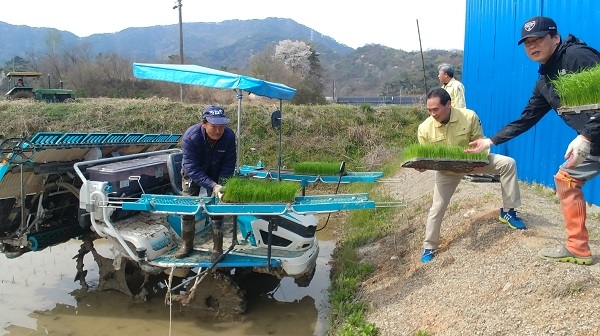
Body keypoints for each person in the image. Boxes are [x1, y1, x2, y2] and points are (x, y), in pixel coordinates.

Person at [467, 16, 600, 266]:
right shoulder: (545, 81)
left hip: (593, 136)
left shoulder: (577, 56)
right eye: (527, 42)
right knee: (567, 179)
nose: (532, 45)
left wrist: (586, 135)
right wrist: (490, 141)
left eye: (538, 39)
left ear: (556, 38)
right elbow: (526, 119)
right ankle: (578, 247)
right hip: (595, 140)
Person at [417, 88, 526, 263]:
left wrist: (479, 158)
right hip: (447, 172)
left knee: (508, 163)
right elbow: (425, 155)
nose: (432, 114)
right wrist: (422, 166)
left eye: (435, 109)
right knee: (437, 208)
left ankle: (508, 212)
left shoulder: (469, 117)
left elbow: (480, 141)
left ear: (448, 104)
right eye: (429, 110)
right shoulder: (424, 128)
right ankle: (429, 247)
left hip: (472, 163)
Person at [175, 105, 237, 260]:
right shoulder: (191, 137)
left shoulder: (228, 136)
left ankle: (217, 249)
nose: (218, 131)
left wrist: (220, 185)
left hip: (216, 171)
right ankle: (187, 245)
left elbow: (229, 163)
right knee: (188, 208)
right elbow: (191, 167)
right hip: (193, 173)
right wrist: (211, 185)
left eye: (221, 127)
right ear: (204, 123)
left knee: (217, 208)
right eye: (214, 127)